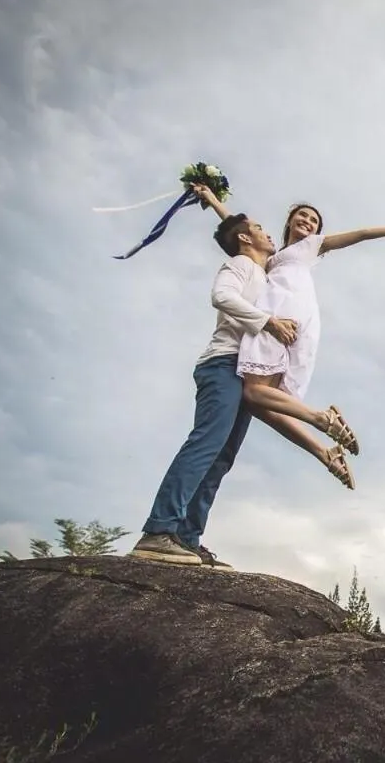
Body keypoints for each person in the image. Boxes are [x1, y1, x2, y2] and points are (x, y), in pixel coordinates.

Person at [193, 184, 385, 491]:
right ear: (288, 221)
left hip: (285, 315)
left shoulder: (310, 247)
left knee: (253, 393)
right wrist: (212, 199)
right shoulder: (271, 257)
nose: (308, 222)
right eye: (303, 216)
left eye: (313, 221)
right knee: (259, 401)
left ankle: (324, 420)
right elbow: (240, 230)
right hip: (276, 315)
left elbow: (362, 233)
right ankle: (325, 452)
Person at [129, 189, 299, 568]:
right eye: (260, 228)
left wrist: (213, 199)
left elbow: (235, 226)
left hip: (245, 373)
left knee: (221, 459)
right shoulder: (239, 264)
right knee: (206, 445)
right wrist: (269, 323)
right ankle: (159, 530)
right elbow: (221, 296)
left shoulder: (262, 272)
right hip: (222, 364)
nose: (268, 232)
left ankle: (187, 539)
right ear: (245, 239)